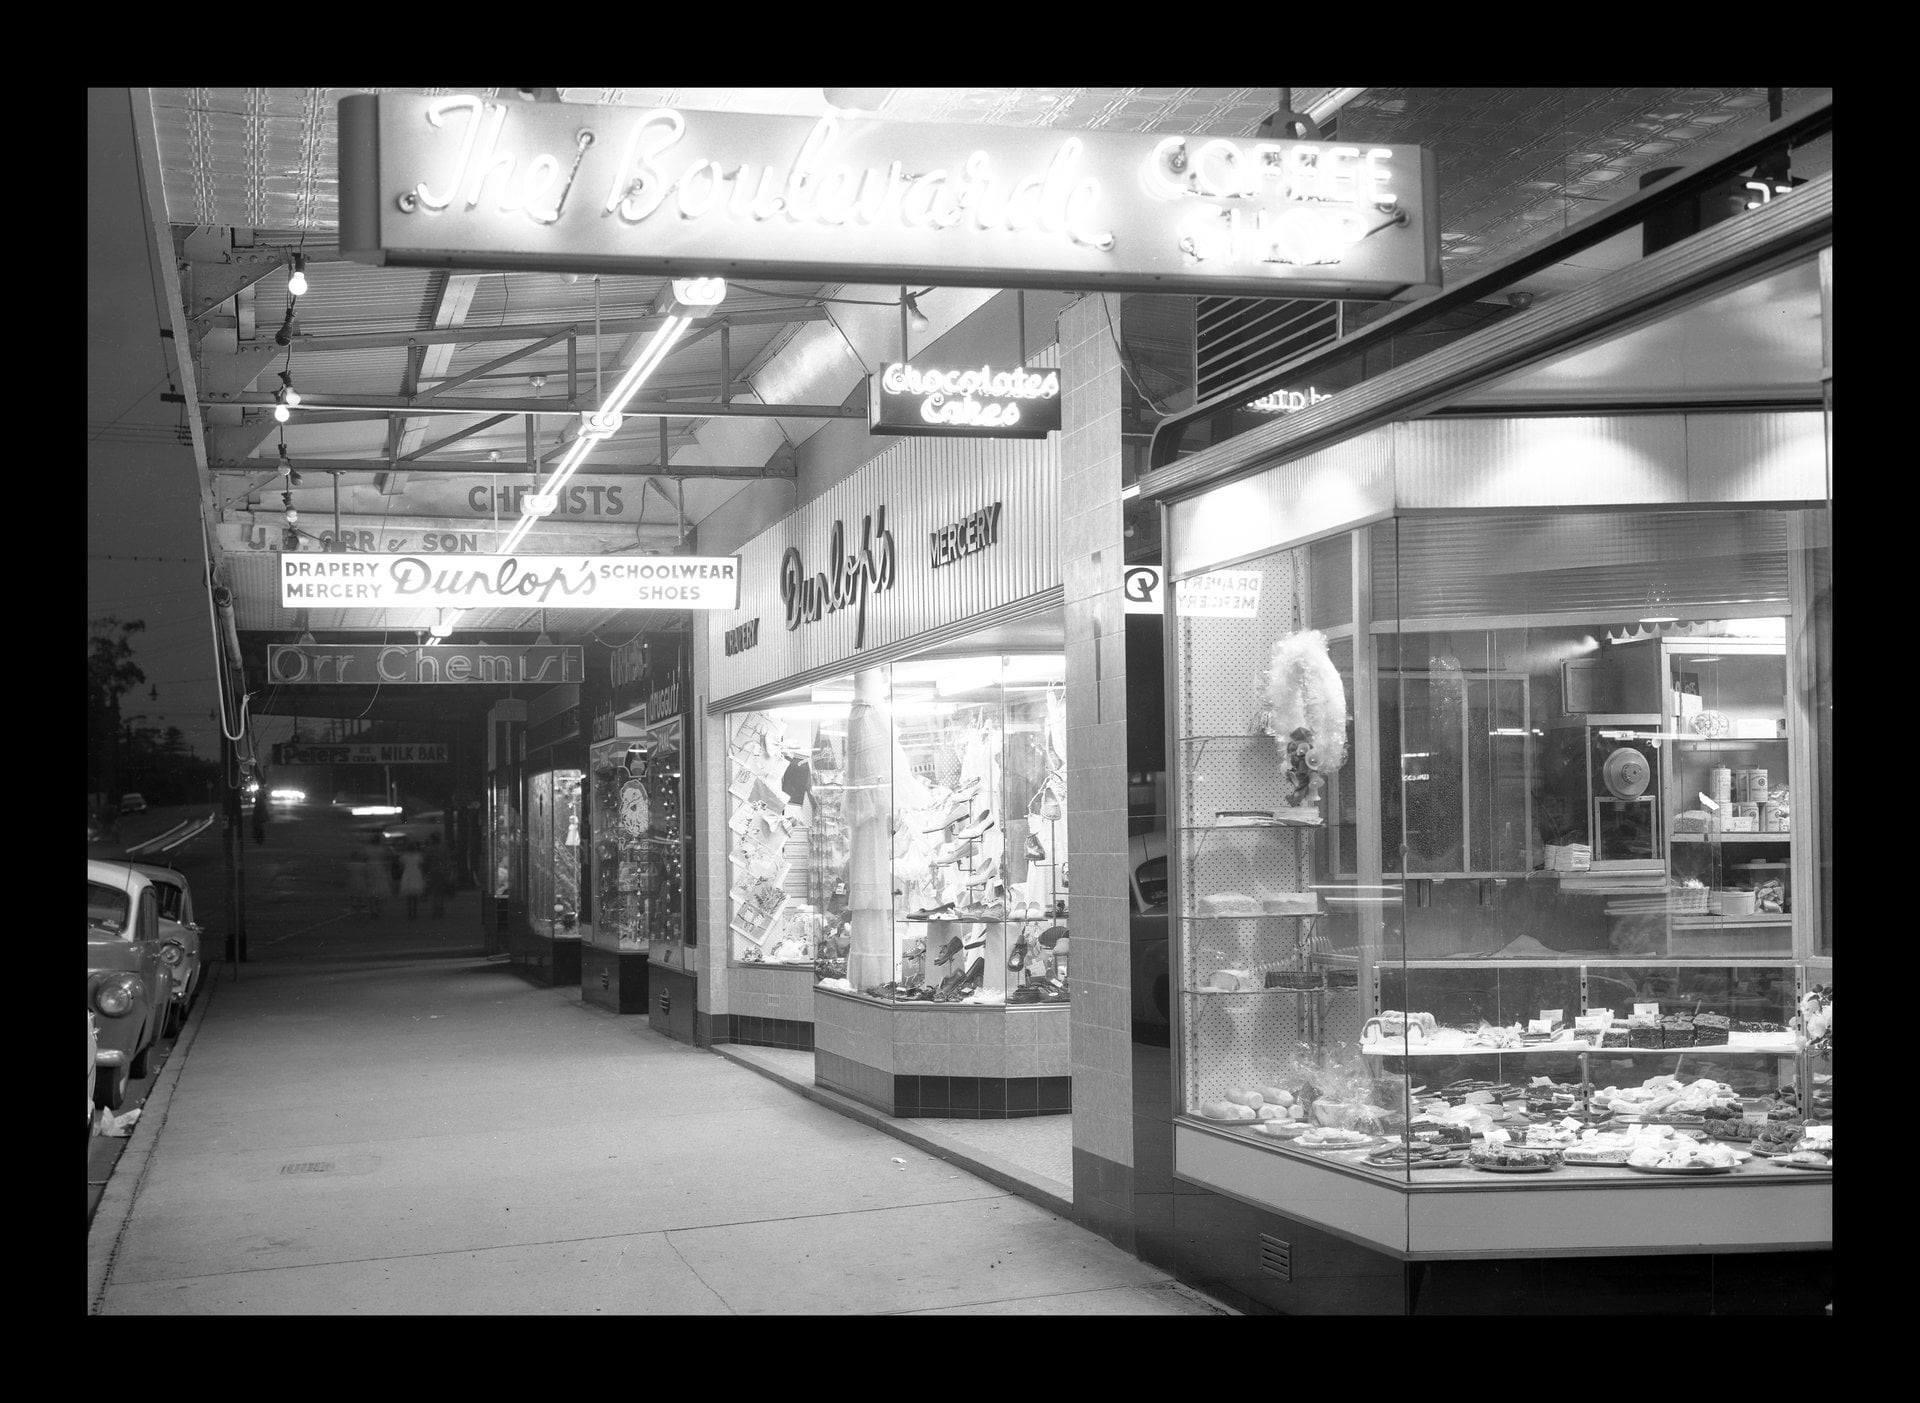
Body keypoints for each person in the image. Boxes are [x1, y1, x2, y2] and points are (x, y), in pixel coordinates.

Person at [397, 840, 428, 920]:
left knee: (409, 894)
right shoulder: (418, 856)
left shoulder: (404, 856)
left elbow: (400, 866)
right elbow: (422, 865)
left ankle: (410, 911)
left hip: (407, 873)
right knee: (415, 894)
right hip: (416, 873)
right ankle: (414, 911)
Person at [423, 833, 449, 919]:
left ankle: (435, 911)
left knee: (434, 892)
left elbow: (425, 860)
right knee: (440, 892)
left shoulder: (429, 849)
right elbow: (446, 859)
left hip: (433, 871)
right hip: (441, 871)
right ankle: (440, 909)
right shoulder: (443, 849)